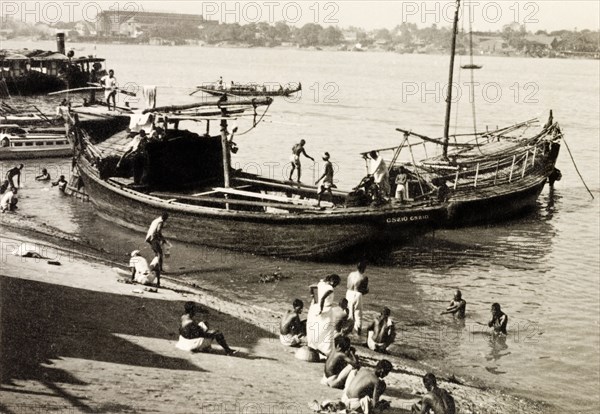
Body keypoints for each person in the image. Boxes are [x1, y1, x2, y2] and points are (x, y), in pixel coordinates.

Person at [306, 274, 341, 357]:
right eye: (336, 283)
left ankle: (315, 346)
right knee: (328, 331)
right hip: (326, 310)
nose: (336, 285)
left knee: (318, 328)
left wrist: (313, 298)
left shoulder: (321, 284)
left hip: (315, 307)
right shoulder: (330, 288)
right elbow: (323, 298)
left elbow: (310, 287)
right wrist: (321, 309)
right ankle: (326, 351)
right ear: (332, 281)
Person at [346, 261, 369, 337]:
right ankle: (358, 334)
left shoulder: (351, 274)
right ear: (364, 268)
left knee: (349, 313)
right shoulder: (363, 277)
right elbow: (364, 291)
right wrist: (367, 291)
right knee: (358, 315)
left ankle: (348, 331)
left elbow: (348, 285)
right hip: (357, 294)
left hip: (348, 292)